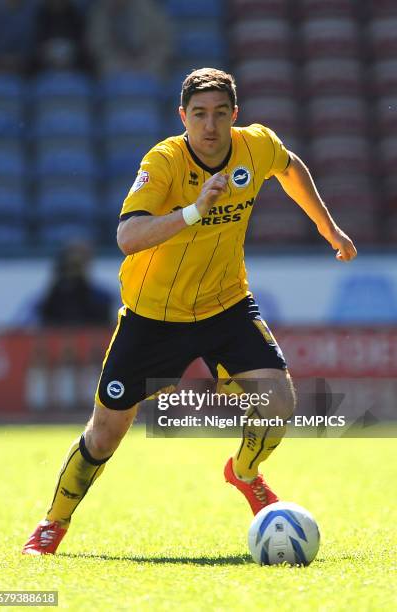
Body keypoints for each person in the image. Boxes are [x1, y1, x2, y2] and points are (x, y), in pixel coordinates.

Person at [22, 67, 357, 555]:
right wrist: (195, 210)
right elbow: (127, 237)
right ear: (183, 117)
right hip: (153, 316)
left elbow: (289, 167)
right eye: (199, 114)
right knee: (105, 434)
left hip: (226, 306)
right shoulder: (163, 162)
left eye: (221, 113)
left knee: (279, 402)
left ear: (235, 115)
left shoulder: (256, 145)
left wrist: (330, 229)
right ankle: (53, 522)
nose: (210, 125)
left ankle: (244, 473)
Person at [86, 0, 173, 78]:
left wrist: (143, 60)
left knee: (156, 68)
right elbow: (96, 45)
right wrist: (123, 61)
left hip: (147, 61)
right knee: (107, 67)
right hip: (114, 62)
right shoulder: (101, 10)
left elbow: (164, 42)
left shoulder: (149, 8)